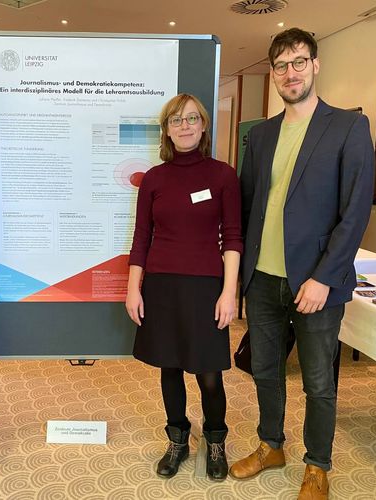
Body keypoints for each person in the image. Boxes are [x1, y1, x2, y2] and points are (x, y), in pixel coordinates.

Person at [228, 28, 374, 500]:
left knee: (317, 381)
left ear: (315, 65)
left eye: (298, 62)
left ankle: (318, 465)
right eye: (281, 65)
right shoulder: (263, 133)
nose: (290, 73)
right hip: (264, 279)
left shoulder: (349, 127)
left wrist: (323, 279)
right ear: (272, 74)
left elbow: (355, 214)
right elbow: (250, 206)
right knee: (265, 369)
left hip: (316, 284)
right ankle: (271, 445)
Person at [126, 93, 242, 481]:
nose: (185, 126)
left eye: (192, 118)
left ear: (204, 125)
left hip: (206, 287)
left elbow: (234, 238)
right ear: (167, 129)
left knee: (209, 373)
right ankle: (177, 438)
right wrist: (133, 287)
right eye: (176, 120)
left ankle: (215, 440)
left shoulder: (223, 175)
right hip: (161, 286)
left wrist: (230, 292)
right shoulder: (155, 178)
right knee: (170, 368)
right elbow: (141, 237)